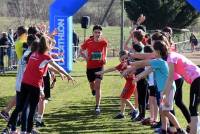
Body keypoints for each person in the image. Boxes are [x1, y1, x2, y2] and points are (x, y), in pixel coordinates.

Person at [5, 36, 75, 134]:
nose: (52, 47)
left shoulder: (34, 53)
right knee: (31, 110)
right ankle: (26, 131)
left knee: (21, 107)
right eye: (51, 45)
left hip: (24, 83)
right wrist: (68, 75)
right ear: (48, 45)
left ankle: (13, 129)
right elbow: (58, 67)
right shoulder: (46, 56)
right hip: (33, 85)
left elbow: (41, 68)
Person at [123, 41, 186, 134]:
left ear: (158, 52)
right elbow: (148, 70)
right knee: (162, 110)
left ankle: (180, 130)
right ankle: (164, 130)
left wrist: (129, 62)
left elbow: (144, 63)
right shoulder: (157, 62)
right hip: (162, 90)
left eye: (154, 51)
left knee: (166, 111)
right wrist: (138, 77)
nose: (152, 53)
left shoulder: (159, 61)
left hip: (168, 90)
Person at [95, 50, 139, 119]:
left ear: (121, 57)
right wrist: (102, 72)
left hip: (131, 83)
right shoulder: (122, 64)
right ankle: (122, 113)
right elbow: (112, 69)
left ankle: (134, 110)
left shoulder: (125, 63)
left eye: (119, 56)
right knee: (123, 97)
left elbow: (132, 69)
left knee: (123, 98)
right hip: (128, 83)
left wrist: (101, 72)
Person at [80, 25, 108, 115]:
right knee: (92, 84)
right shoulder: (88, 41)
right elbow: (81, 50)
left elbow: (105, 49)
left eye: (99, 32)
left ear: (101, 33)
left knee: (98, 85)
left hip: (100, 66)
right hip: (90, 67)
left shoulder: (103, 42)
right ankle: (93, 90)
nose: (97, 34)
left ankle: (97, 106)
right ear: (93, 33)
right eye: (96, 32)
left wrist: (105, 57)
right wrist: (86, 57)